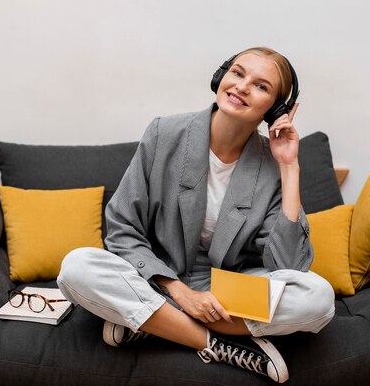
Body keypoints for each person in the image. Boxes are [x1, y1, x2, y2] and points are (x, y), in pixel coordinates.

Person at [57, 47, 335, 384]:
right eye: (237, 72)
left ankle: (153, 323)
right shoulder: (164, 133)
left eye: (261, 86)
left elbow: (287, 265)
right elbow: (122, 229)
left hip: (226, 291)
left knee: (318, 296)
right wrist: (180, 292)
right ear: (220, 77)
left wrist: (289, 167)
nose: (243, 86)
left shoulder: (272, 163)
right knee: (77, 267)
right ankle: (216, 343)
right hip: (159, 279)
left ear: (275, 109)